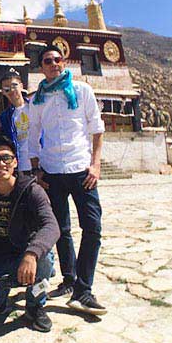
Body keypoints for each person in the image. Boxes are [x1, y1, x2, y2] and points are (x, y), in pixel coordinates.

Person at [28, 45, 107, 315]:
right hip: (51, 171)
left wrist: (95, 165)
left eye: (57, 59)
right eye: (47, 61)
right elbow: (33, 134)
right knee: (60, 229)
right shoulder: (37, 99)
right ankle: (70, 279)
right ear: (42, 67)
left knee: (93, 228)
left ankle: (84, 290)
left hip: (81, 168)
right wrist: (37, 170)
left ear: (64, 62)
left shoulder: (83, 91)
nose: (53, 64)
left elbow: (97, 129)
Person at [0, 136, 60, 332]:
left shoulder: (31, 191)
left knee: (45, 258)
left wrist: (31, 254)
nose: (0, 164)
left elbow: (52, 226)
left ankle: (35, 305)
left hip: (25, 254)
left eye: (6, 158)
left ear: (15, 162)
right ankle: (2, 297)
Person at [0, 68, 32, 174]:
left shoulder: (35, 106)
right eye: (7, 89)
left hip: (44, 163)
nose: (12, 91)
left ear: (21, 86)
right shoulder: (5, 117)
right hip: (21, 166)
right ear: (3, 92)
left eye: (14, 86)